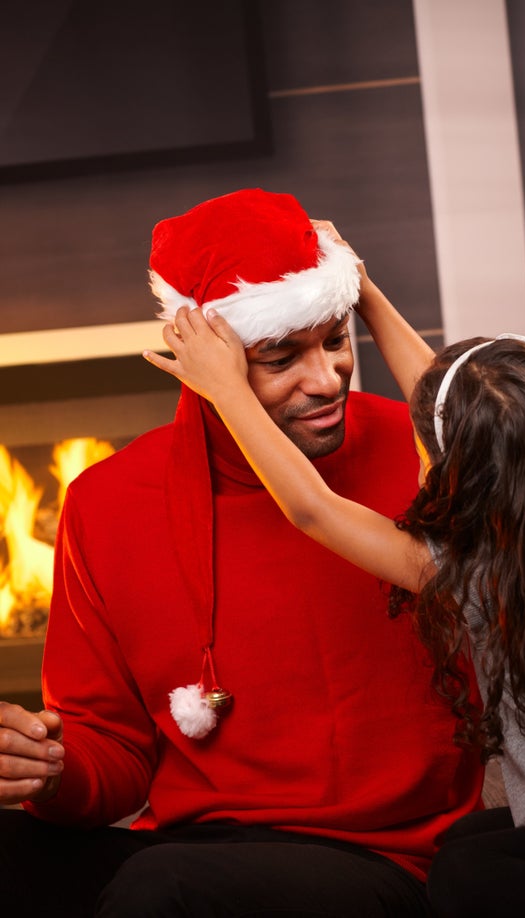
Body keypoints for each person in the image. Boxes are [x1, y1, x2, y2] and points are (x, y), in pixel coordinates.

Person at [143, 219, 525, 917]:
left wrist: (226, 389)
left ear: (467, 474)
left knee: (463, 877)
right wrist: (358, 287)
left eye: (429, 450)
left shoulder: (485, 575)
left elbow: (314, 510)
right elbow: (445, 396)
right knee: (469, 842)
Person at [0, 190, 485, 918]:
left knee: (166, 889)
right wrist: (48, 768)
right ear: (209, 362)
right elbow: (115, 754)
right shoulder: (105, 504)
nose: (325, 380)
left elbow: (335, 493)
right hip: (192, 847)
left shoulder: (425, 458)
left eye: (334, 339)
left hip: (386, 857)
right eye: (281, 356)